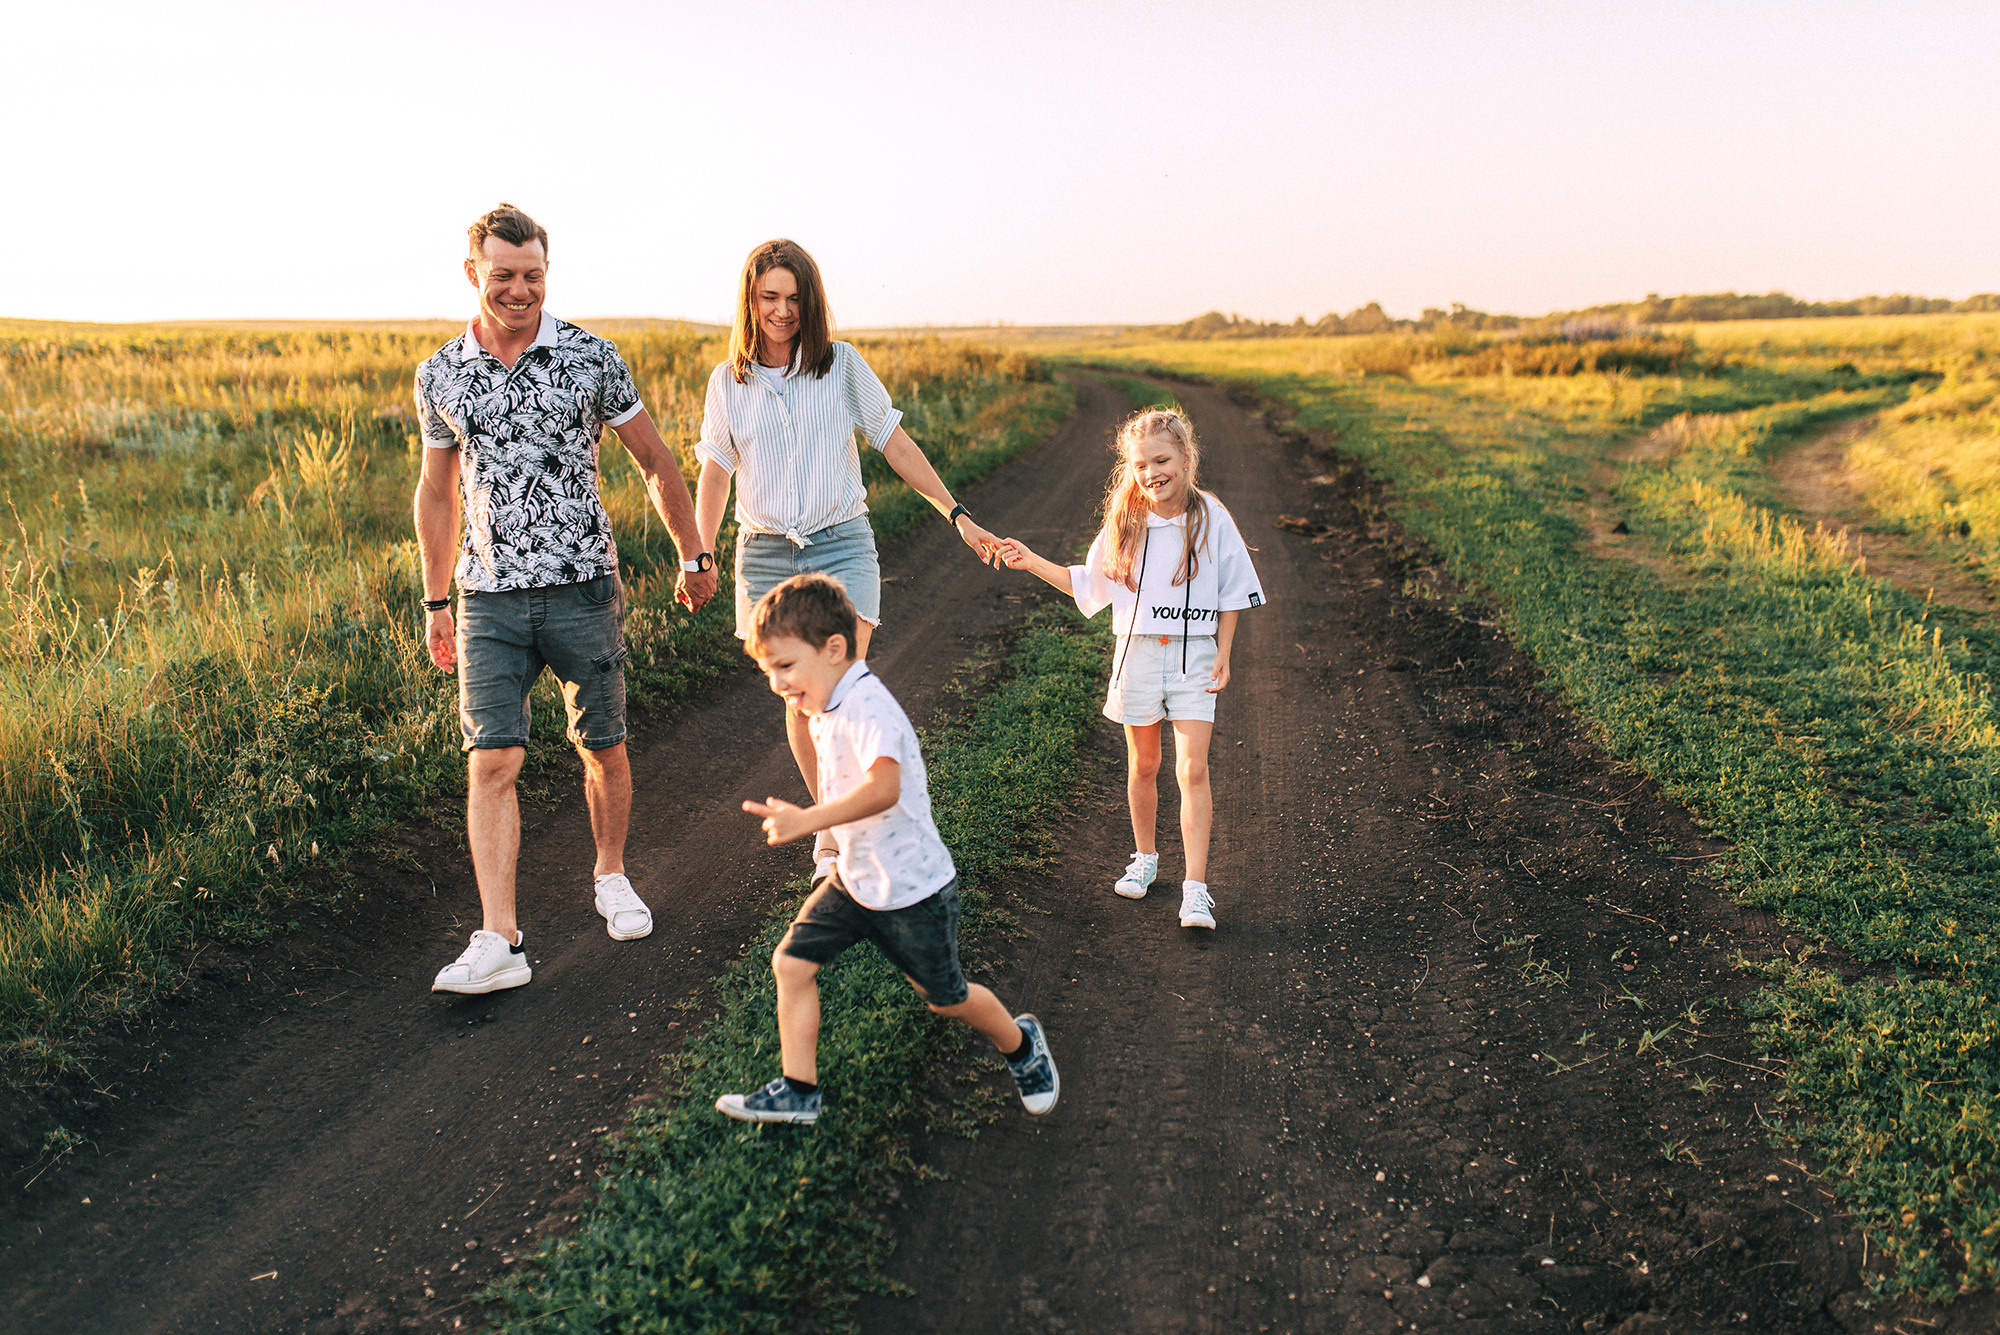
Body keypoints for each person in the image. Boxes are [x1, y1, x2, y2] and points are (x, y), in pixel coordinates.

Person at [414, 203, 719, 994]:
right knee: (493, 760)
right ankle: (498, 938)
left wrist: (694, 552)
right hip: (488, 599)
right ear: (474, 272)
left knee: (602, 743)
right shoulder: (441, 373)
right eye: (505, 274)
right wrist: (435, 600)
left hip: (583, 584)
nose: (520, 290)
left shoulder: (591, 357)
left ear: (547, 273)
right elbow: (438, 494)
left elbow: (655, 460)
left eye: (533, 276)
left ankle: (611, 875)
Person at [692, 239, 1001, 880]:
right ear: (750, 301)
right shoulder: (728, 382)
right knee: (800, 697)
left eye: (794, 298)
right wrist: (696, 553)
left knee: (840, 689)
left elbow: (894, 441)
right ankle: (831, 829)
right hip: (767, 554)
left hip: (842, 543)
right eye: (769, 297)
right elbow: (717, 473)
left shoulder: (842, 366)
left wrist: (958, 515)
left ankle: (853, 826)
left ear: (812, 302)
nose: (782, 312)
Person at [716, 574, 1057, 1124]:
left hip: (913, 890)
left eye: (784, 666)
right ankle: (799, 1090)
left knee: (945, 999)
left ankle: (1020, 1044)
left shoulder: (868, 707)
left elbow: (883, 788)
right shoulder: (824, 704)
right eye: (767, 671)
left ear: (833, 649)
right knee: (792, 964)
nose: (777, 683)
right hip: (855, 881)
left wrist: (810, 822)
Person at [996, 407, 1265, 931]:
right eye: (1141, 465)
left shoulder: (1212, 516)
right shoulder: (1125, 520)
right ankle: (1145, 860)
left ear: (1187, 458)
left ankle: (1196, 890)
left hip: (1194, 656)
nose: (1151, 474)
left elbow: (1232, 592)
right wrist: (1031, 561)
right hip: (1136, 655)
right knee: (1144, 765)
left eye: (1162, 460)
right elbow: (1089, 586)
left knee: (1193, 770)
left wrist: (1225, 652)